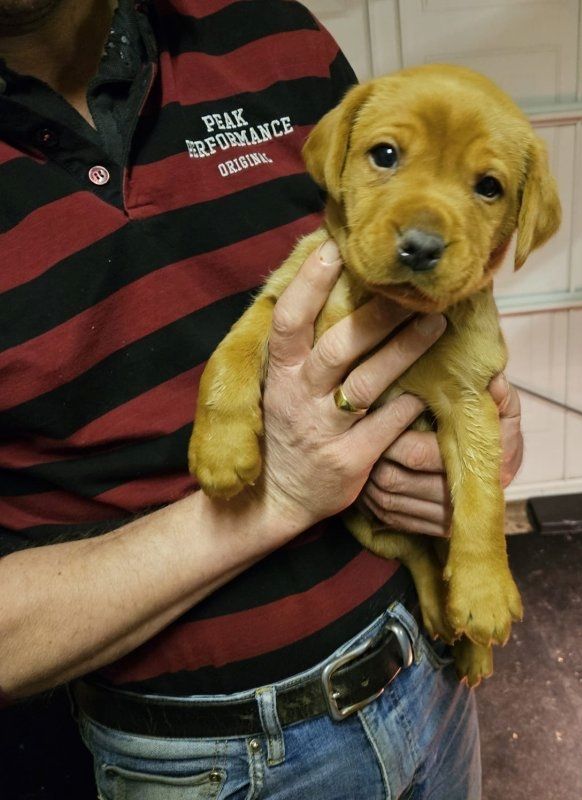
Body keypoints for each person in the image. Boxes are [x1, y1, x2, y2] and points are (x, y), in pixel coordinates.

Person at [0, 0, 524, 796]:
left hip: (427, 673)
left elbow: (399, 246)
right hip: (198, 759)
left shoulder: (272, 27)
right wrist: (283, 494)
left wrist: (471, 426)